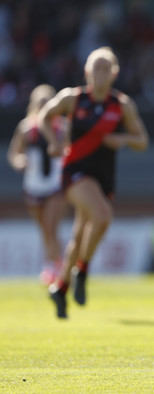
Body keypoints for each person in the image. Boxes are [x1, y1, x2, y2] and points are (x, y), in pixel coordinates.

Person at [39, 46, 150, 318]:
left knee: (80, 234)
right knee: (102, 215)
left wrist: (122, 139)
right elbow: (44, 116)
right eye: (95, 68)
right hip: (75, 172)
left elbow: (142, 141)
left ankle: (60, 287)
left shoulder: (121, 105)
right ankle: (82, 271)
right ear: (87, 71)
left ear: (114, 73)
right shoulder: (72, 98)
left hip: (103, 177)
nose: (100, 74)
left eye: (105, 68)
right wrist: (54, 142)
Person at [7, 84, 68, 286]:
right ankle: (57, 262)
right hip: (34, 185)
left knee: (51, 225)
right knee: (45, 229)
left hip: (56, 185)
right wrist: (20, 161)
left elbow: (71, 150)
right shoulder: (26, 129)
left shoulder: (62, 128)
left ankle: (52, 266)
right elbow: (14, 154)